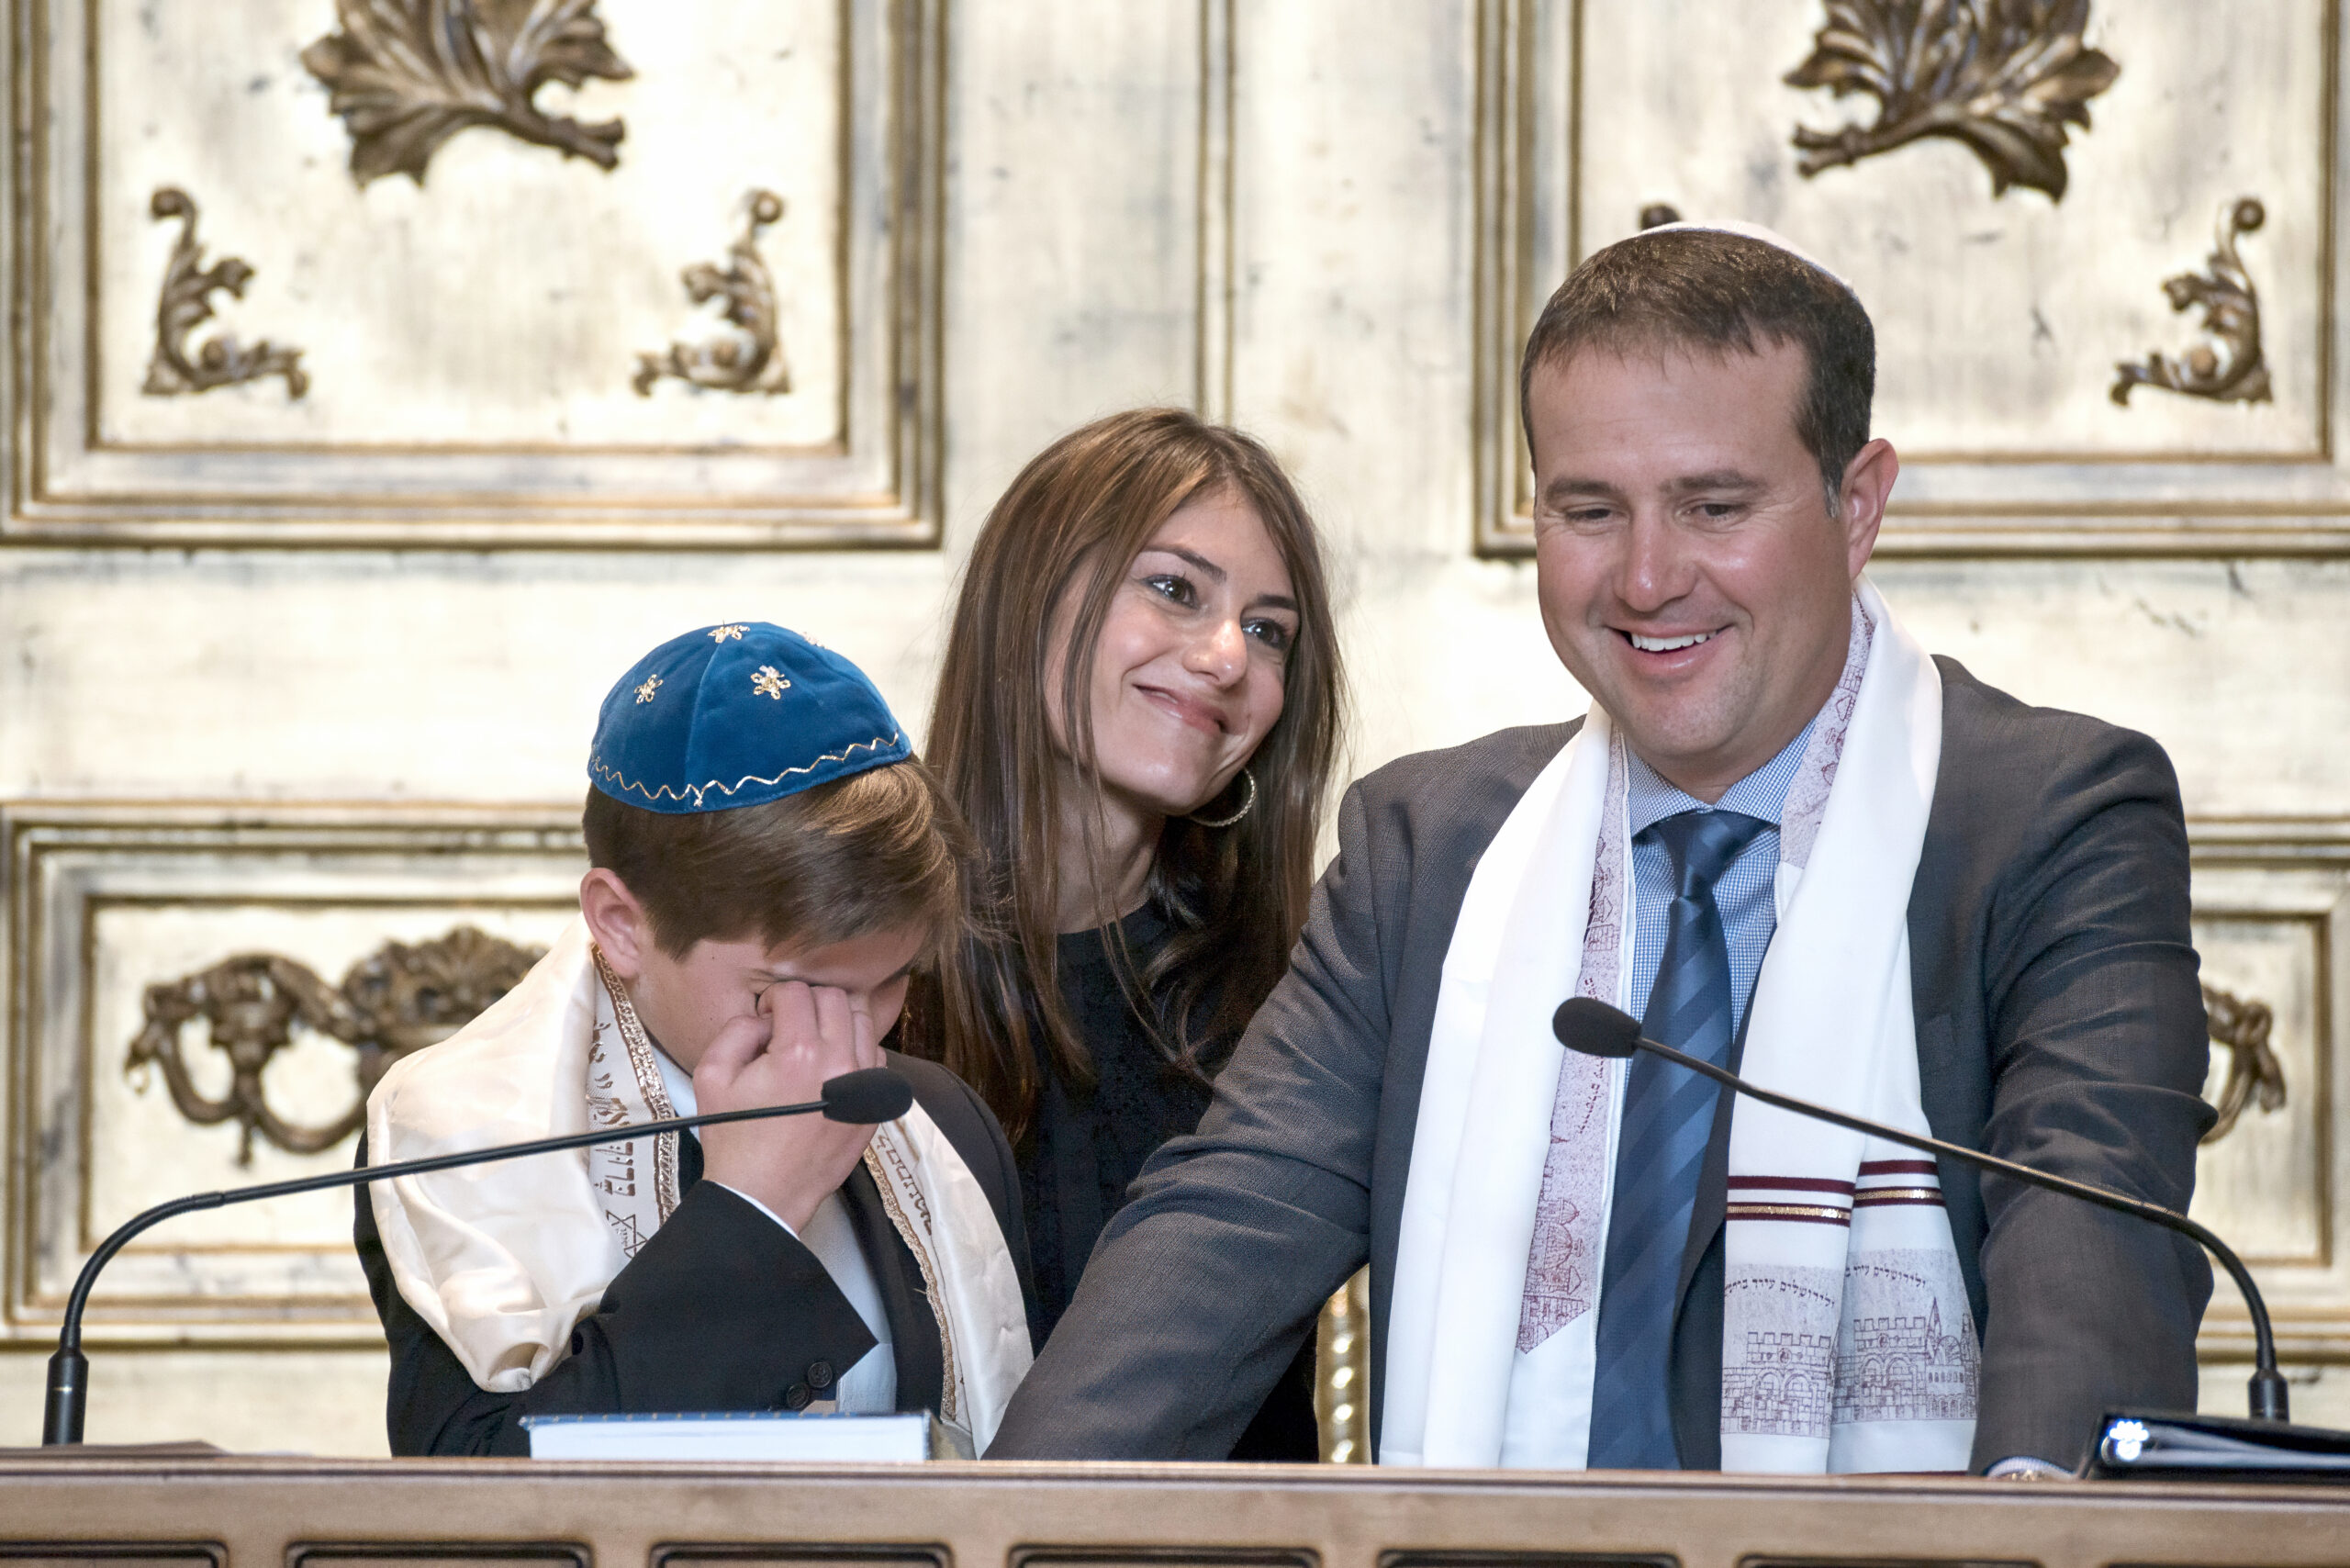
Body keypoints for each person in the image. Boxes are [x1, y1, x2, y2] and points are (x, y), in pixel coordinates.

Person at [984, 225, 2213, 1476]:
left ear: (1857, 504)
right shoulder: (1428, 846)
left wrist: (2051, 1547)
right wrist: (1001, 1530)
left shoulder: (2055, 816)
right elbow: (1231, 1219)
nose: (1644, 577)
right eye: (1589, 510)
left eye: (1713, 506)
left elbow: (2092, 1250)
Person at [353, 622, 1034, 1456]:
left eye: (892, 981)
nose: (851, 1039)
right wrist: (754, 1208)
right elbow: (480, 1505)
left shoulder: (943, 1121)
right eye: (794, 989)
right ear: (622, 925)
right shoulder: (457, 1136)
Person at [902, 409, 1345, 1460]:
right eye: (1174, 588)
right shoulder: (851, 969)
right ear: (1028, 598)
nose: (1228, 655)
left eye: (1270, 629)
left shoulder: (1304, 992)